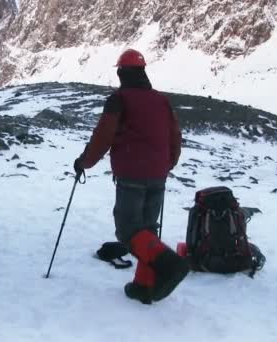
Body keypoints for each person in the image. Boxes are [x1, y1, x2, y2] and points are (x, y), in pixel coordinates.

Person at [73, 49, 189, 304]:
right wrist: (167, 164)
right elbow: (174, 135)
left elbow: (103, 137)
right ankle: (143, 287)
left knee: (128, 231)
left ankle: (170, 264)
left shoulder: (119, 100)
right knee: (147, 230)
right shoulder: (161, 100)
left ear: (121, 73)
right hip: (158, 174)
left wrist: (84, 162)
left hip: (132, 175)